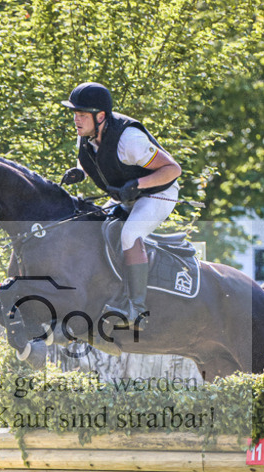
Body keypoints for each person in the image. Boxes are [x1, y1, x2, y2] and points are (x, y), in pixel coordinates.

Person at [59, 82, 182, 323]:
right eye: (75, 114)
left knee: (130, 235)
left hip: (158, 193)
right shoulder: (86, 136)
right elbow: (92, 162)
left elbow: (173, 169)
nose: (77, 120)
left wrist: (137, 184)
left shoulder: (130, 139)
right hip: (129, 196)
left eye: (82, 115)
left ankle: (137, 308)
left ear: (101, 116)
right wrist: (79, 172)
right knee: (93, 226)